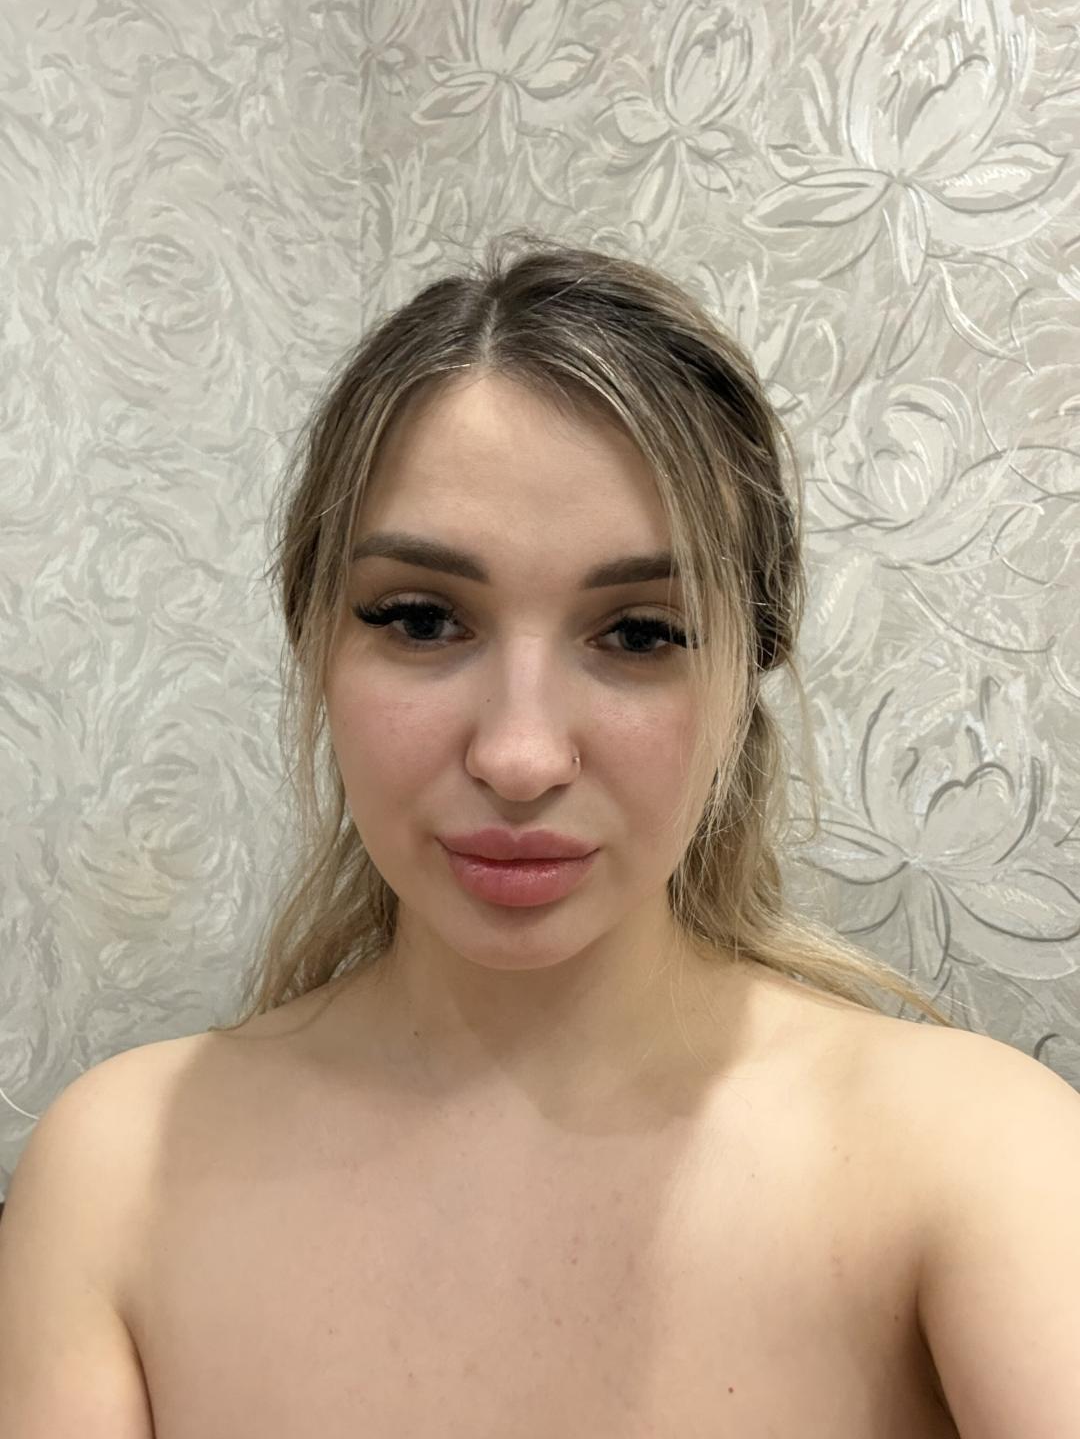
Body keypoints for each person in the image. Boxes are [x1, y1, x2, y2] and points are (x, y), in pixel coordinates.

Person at [9, 232, 1079, 1436]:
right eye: (422, 619)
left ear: (745, 673)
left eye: (641, 633)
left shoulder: (981, 1161)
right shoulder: (117, 1175)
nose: (520, 757)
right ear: (315, 642)